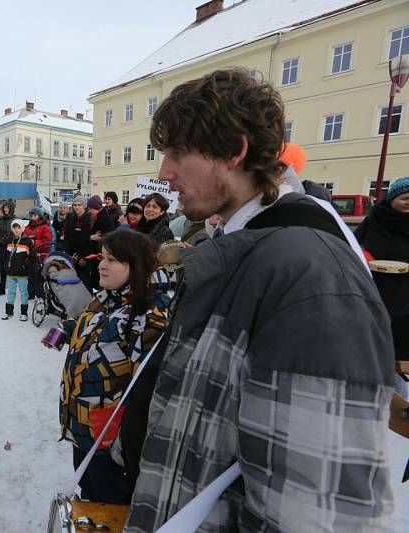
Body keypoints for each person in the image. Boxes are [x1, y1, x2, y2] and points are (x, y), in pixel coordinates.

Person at [122, 68, 394, 531]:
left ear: (234, 151)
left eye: (177, 153)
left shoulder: (310, 273)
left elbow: (316, 511)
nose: (164, 174)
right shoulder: (247, 248)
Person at [51, 230, 167, 504]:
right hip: (81, 425)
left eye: (112, 260)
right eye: (102, 257)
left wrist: (122, 439)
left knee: (111, 504)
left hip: (110, 440)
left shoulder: (148, 315)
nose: (101, 264)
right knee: (89, 495)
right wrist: (66, 329)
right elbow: (93, 326)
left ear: (135, 264)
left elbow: (148, 391)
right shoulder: (105, 298)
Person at [356, 176, 409, 395]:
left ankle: (398, 409)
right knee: (372, 349)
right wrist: (365, 256)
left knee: (397, 355)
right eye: (406, 198)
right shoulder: (375, 220)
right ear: (393, 198)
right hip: (374, 292)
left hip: (405, 299)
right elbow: (355, 246)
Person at [2, 219, 35, 321]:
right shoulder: (9, 240)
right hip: (11, 272)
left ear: (22, 229)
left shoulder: (27, 242)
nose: (16, 230)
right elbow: (5, 256)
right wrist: (6, 267)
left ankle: (24, 313)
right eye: (14, 228)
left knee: (24, 293)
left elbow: (32, 257)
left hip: (22, 273)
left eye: (18, 228)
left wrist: (25, 266)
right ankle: (9, 312)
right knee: (11, 292)